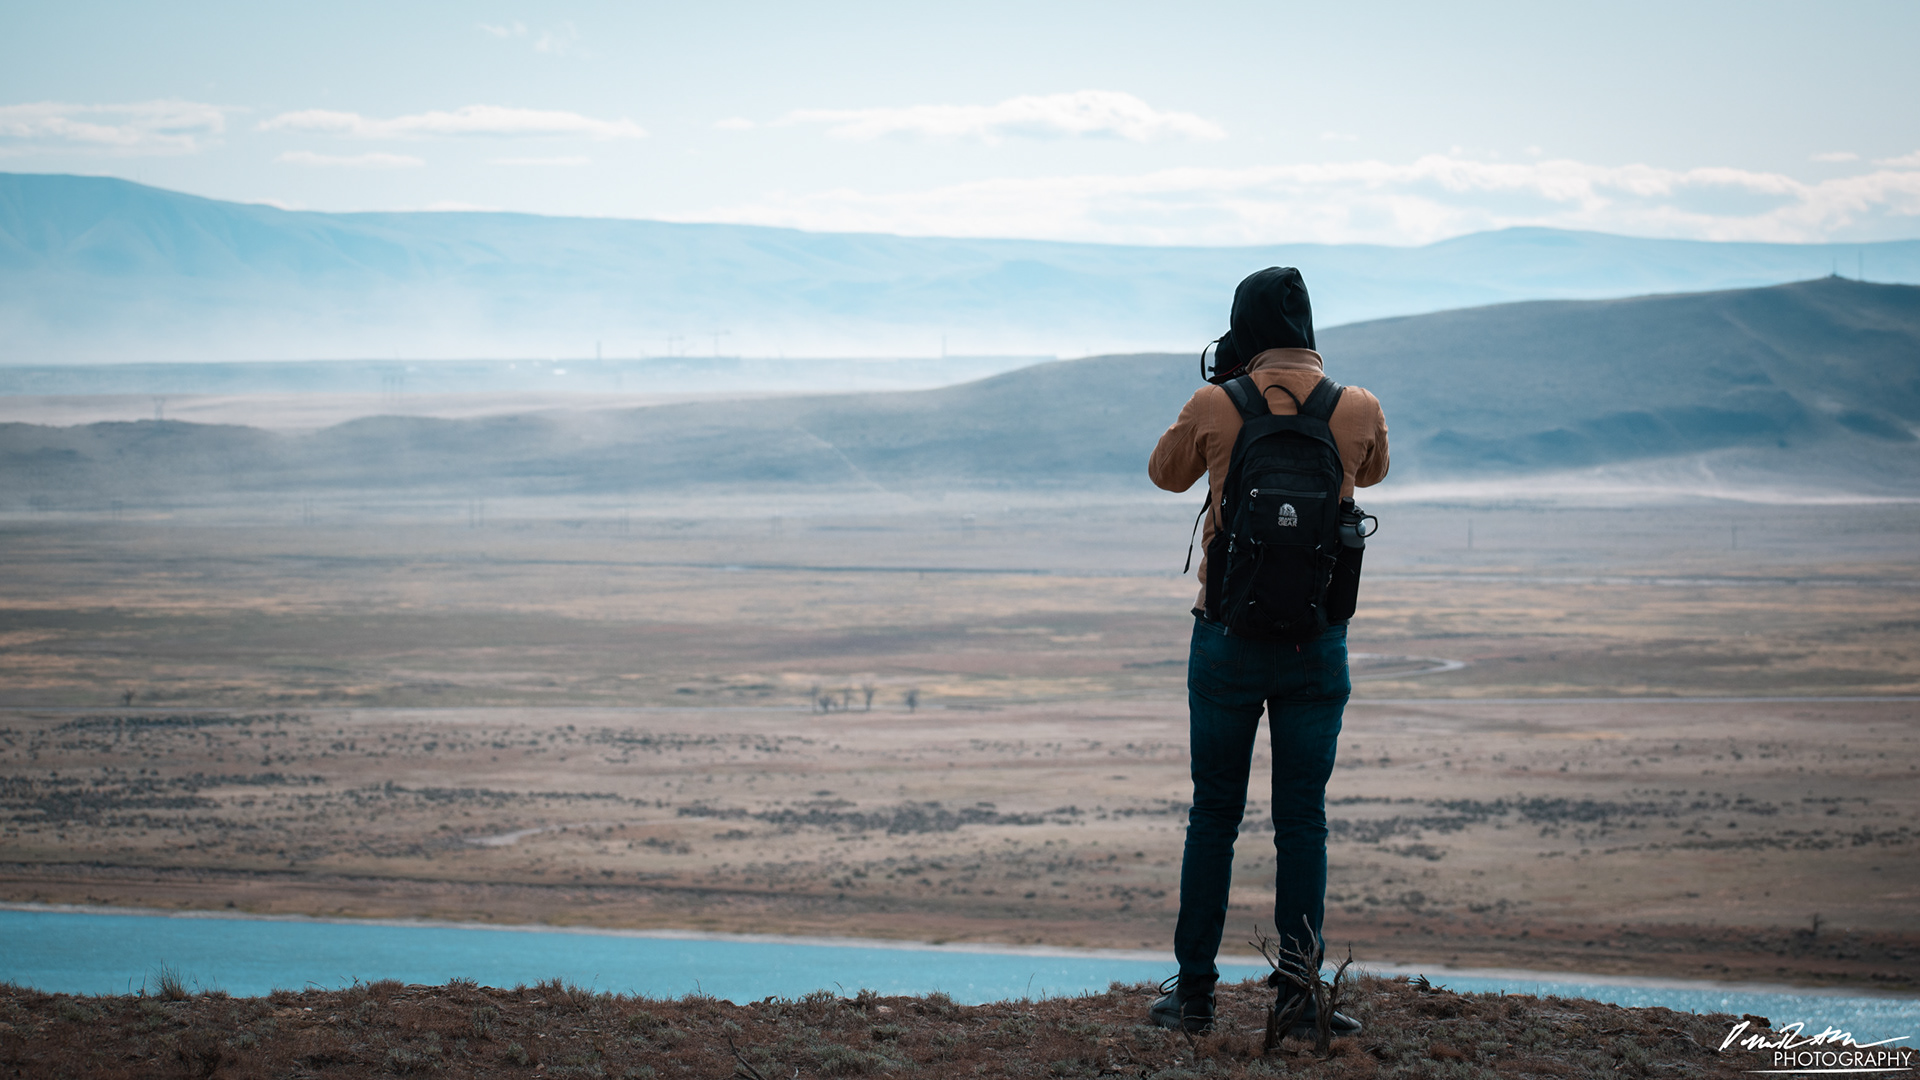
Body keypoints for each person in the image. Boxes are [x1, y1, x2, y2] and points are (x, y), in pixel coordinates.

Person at [1145, 267, 1389, 1034]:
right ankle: (1297, 998)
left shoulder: (1218, 403)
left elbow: (1165, 474)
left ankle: (1192, 998)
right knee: (1302, 823)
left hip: (1225, 638)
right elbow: (1375, 471)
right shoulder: (1356, 407)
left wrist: (1220, 399)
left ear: (1241, 328)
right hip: (1317, 640)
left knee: (1213, 816)